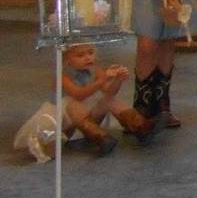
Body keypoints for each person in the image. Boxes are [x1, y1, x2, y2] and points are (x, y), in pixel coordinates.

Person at [14, 44, 154, 157]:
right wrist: (103, 79)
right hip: (65, 125)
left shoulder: (95, 70)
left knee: (109, 100)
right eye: (80, 55)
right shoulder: (62, 76)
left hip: (86, 118)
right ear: (67, 60)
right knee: (73, 105)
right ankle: (100, 137)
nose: (88, 58)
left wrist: (117, 80)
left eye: (90, 52)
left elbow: (108, 91)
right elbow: (79, 94)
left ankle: (140, 125)